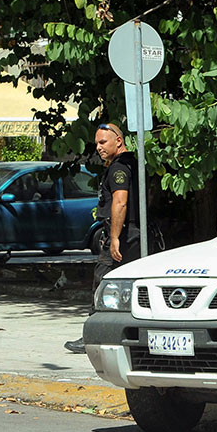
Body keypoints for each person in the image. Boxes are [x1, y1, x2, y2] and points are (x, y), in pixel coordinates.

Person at [65, 123, 141, 353]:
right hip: (136, 234)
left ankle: (91, 337)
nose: (98, 147)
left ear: (118, 140)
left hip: (125, 235)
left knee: (102, 282)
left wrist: (115, 237)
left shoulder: (120, 167)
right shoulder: (133, 163)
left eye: (103, 142)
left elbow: (120, 202)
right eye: (96, 143)